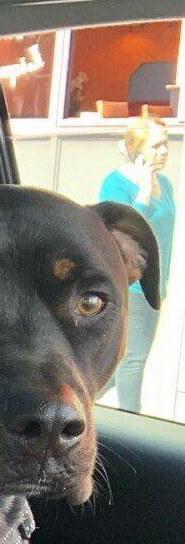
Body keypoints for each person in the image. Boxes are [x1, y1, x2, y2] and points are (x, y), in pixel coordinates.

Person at [97, 115, 176, 413]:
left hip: (154, 285)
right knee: (133, 360)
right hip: (130, 285)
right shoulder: (116, 183)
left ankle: (84, 399)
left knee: (126, 364)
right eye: (156, 145)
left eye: (166, 144)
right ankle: (133, 419)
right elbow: (115, 237)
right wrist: (142, 193)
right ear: (138, 147)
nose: (164, 151)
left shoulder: (166, 184)